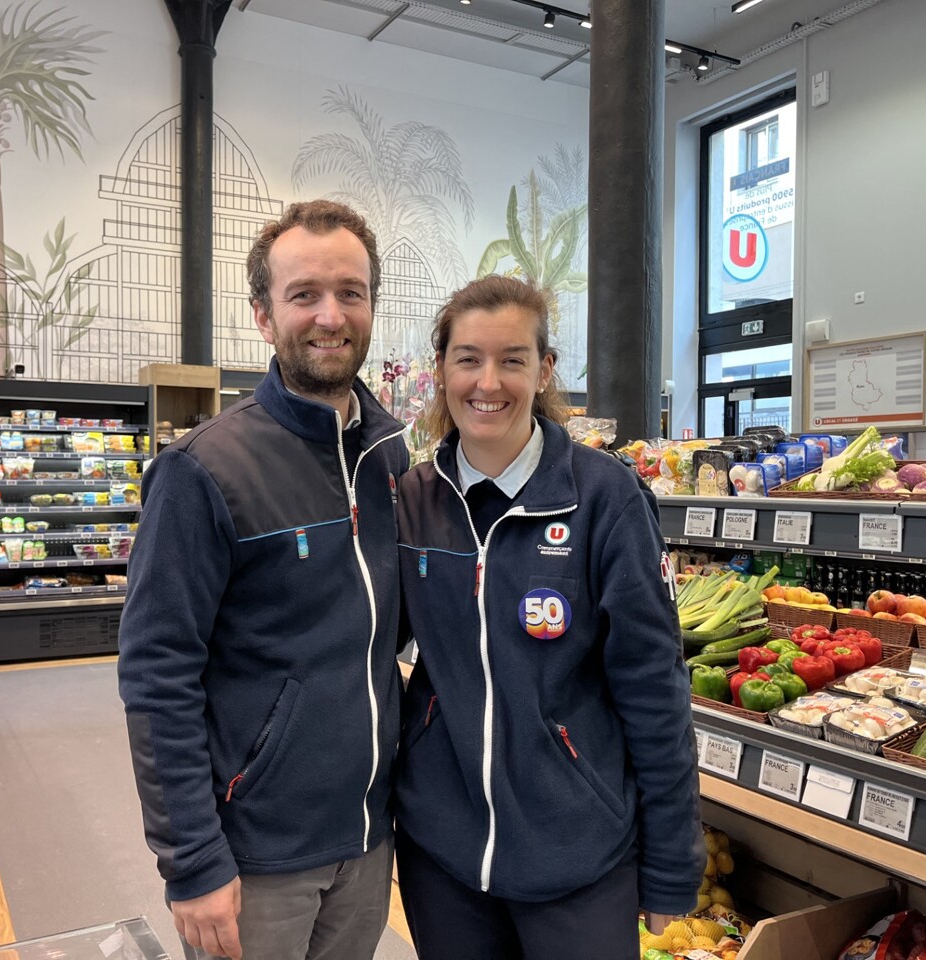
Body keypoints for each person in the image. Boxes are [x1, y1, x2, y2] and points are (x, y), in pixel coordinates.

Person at [118, 200, 409, 960]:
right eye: (304, 293)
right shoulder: (202, 471)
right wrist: (192, 861)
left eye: (350, 292)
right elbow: (157, 674)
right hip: (255, 856)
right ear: (263, 314)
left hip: (369, 841)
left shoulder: (393, 459)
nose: (330, 315)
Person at [393, 275, 705, 960]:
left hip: (579, 854)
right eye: (468, 359)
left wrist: (671, 863)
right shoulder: (415, 499)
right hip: (442, 855)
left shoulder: (605, 498)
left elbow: (654, 688)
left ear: (544, 370)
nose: (488, 382)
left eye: (512, 359)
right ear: (441, 368)